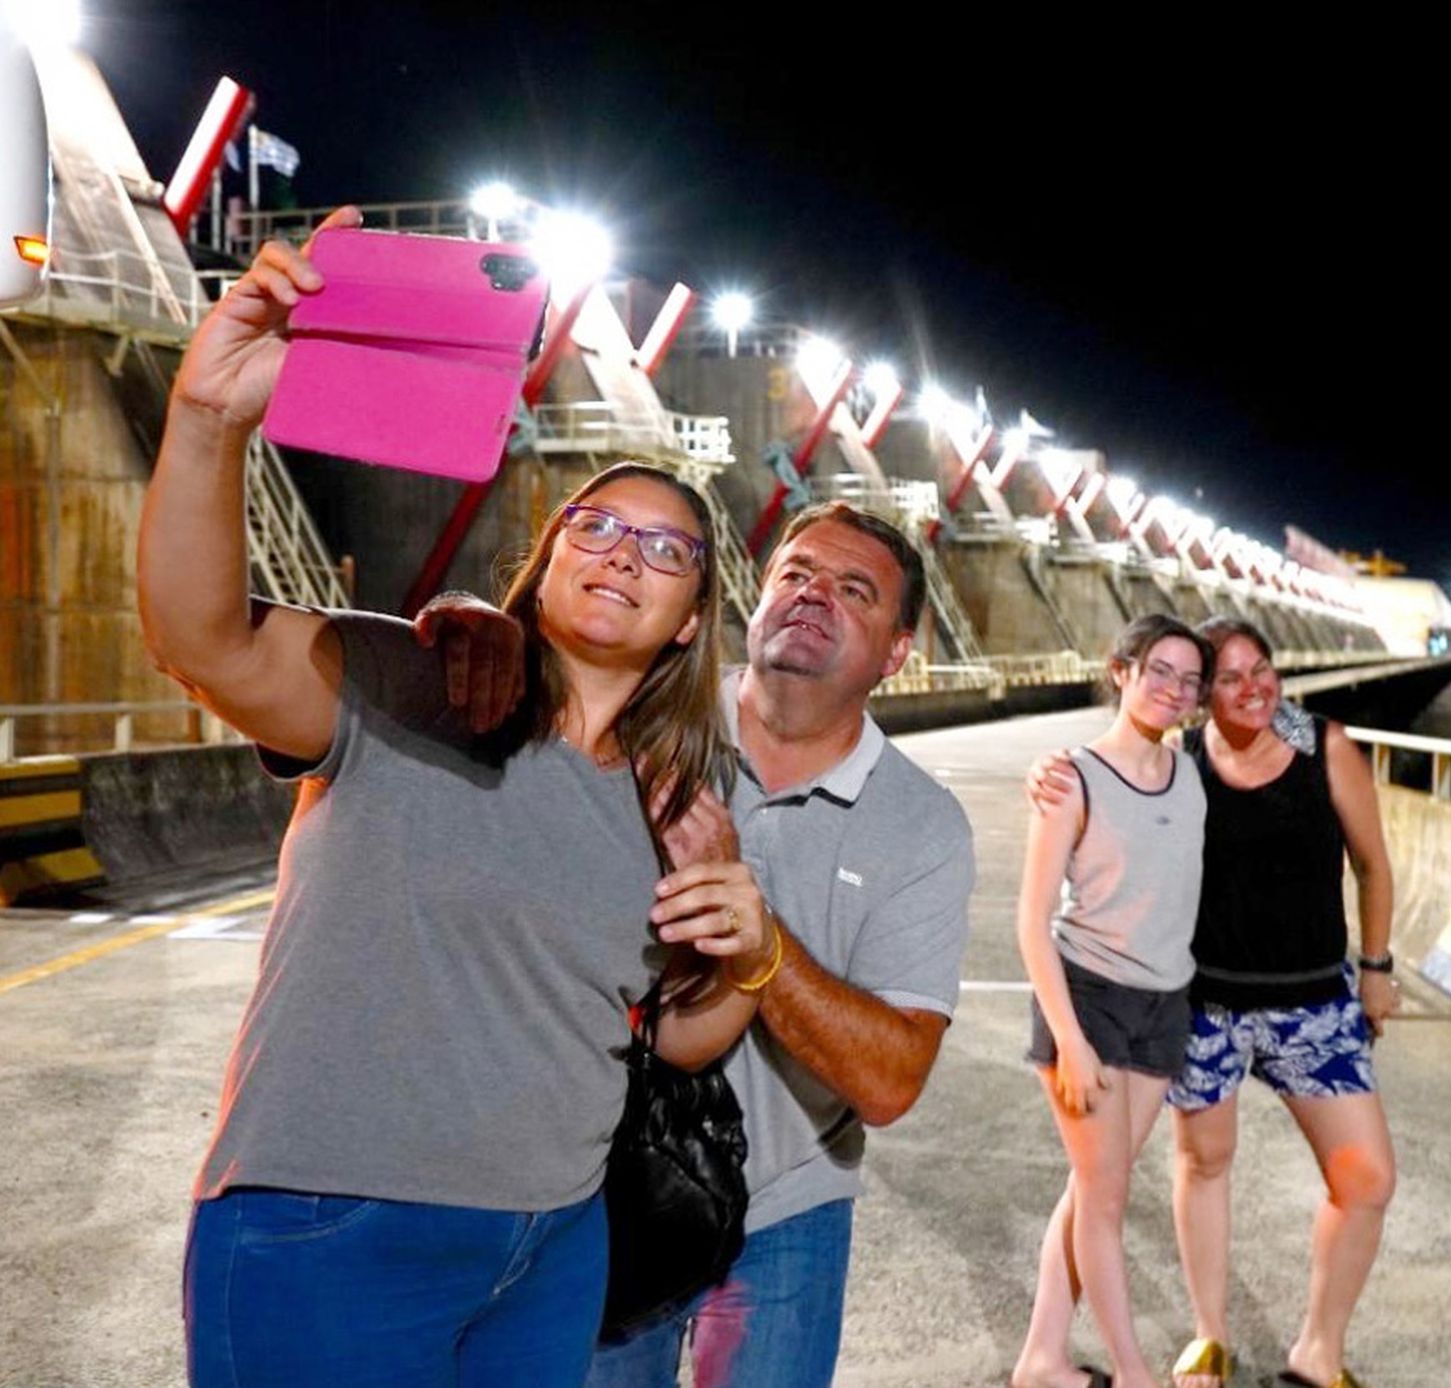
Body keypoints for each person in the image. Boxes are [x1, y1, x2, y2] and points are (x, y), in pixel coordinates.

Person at [138, 206, 775, 1388]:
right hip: (334, 1225)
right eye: (597, 524)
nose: (625, 552)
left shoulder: (677, 797)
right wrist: (209, 420)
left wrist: (751, 956)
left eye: (668, 547)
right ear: (549, 551)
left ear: (693, 617)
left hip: (551, 1240)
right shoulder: (408, 679)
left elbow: (667, 1035)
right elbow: (201, 638)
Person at [421, 500, 976, 1387]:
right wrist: (469, 628)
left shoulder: (921, 825)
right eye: (795, 574)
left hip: (789, 1201)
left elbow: (890, 1080)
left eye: (854, 590)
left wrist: (758, 941)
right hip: (595, 1185)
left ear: (898, 652)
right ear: (751, 605)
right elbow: (523, 678)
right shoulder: (634, 725)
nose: (812, 595)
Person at [1029, 617, 1398, 1388]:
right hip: (1203, 1006)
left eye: (1260, 669)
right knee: (1202, 1161)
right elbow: (1110, 770)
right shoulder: (1187, 756)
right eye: (1226, 678)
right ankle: (1207, 1336)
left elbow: (1373, 862)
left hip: (1313, 1008)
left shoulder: (1316, 740)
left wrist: (1376, 965)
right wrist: (1051, 773)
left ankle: (1318, 1349)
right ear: (1202, 698)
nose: (1250, 688)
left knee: (1365, 1175)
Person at [1011, 614, 1212, 1388]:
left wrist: (1260, 694)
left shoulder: (1189, 767)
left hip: (1165, 1001)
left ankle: (1042, 1356)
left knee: (1092, 1187)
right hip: (1087, 1000)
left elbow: (1285, 722)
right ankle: (1133, 1371)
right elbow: (1030, 921)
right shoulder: (1073, 777)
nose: (1174, 690)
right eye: (1159, 670)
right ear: (1121, 670)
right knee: (1105, 1197)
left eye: (1190, 681)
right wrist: (1069, 1040)